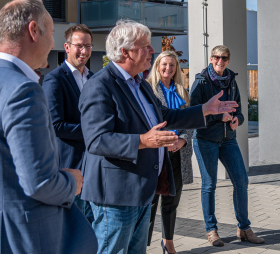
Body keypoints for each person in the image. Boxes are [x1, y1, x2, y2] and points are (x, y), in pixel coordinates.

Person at [79, 20, 238, 254]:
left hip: (141, 191)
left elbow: (163, 115)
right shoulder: (100, 85)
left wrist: (204, 109)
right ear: (125, 52)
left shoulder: (140, 85)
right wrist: (144, 141)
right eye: (145, 46)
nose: (152, 51)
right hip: (115, 195)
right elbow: (96, 140)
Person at [0, 0, 97, 253]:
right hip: (19, 238)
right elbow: (40, 183)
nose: (52, 43)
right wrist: (72, 182)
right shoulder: (23, 90)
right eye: (50, 33)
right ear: (33, 31)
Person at [190, 45, 264, 246]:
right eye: (216, 57)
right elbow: (194, 113)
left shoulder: (231, 80)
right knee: (209, 185)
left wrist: (236, 121)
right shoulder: (201, 81)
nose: (220, 61)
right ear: (211, 59)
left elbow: (239, 109)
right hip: (205, 139)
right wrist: (217, 116)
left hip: (228, 139)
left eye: (223, 58)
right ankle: (211, 230)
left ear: (228, 60)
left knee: (241, 181)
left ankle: (244, 228)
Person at [43, 24, 94, 222]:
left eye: (88, 46)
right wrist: (93, 133)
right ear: (67, 47)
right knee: (72, 226)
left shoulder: (94, 78)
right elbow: (56, 125)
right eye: (79, 46)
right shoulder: (55, 80)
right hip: (70, 165)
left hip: (94, 165)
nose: (84, 51)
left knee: (91, 228)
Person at [146, 51, 194, 253]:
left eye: (172, 65)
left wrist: (183, 140)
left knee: (172, 201)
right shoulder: (148, 89)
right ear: (157, 66)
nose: (168, 68)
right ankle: (142, 244)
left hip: (178, 153)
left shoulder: (182, 91)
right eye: (164, 64)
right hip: (156, 153)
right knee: (149, 203)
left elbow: (189, 121)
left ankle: (168, 242)